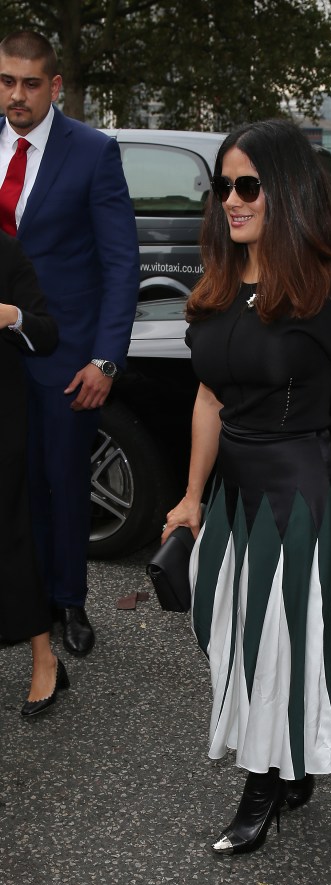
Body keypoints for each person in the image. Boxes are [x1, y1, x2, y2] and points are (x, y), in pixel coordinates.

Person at [163, 119, 331, 856]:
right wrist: (190, 496)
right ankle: (287, 759)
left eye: (248, 185)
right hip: (232, 498)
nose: (232, 200)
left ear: (286, 191)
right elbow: (209, 398)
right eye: (223, 187)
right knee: (224, 633)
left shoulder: (327, 288)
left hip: (297, 495)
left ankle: (264, 783)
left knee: (273, 643)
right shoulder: (216, 283)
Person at [0, 31, 139, 657]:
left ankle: (68, 602)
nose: (17, 95)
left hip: (66, 359)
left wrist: (106, 358)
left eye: (30, 83)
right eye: (6, 81)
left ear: (54, 86)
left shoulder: (93, 152)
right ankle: (20, 608)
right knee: (9, 486)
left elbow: (120, 265)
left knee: (62, 484)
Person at [0, 230, 67, 717]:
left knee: (10, 535)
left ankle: (45, 659)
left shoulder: (4, 250)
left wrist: (12, 316)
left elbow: (45, 332)